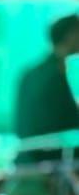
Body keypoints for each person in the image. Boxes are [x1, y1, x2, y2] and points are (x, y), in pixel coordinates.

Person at [14, 13, 79, 143]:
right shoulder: (53, 77)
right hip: (49, 152)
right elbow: (63, 121)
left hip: (29, 150)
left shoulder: (31, 73)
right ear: (70, 35)